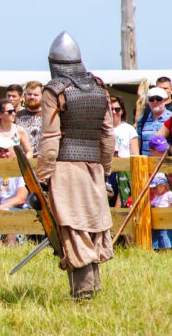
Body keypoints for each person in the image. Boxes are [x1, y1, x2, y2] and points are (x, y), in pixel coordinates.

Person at [36, 32, 114, 301]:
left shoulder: (54, 90)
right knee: (90, 229)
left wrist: (42, 178)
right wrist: (105, 170)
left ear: (53, 63)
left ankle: (84, 296)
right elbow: (108, 135)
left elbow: (49, 138)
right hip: (93, 168)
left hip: (65, 170)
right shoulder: (98, 87)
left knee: (74, 230)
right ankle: (94, 291)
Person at [108, 95, 137, 207]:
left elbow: (135, 154)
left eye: (117, 109)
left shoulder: (129, 129)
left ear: (122, 111)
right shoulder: (103, 129)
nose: (114, 112)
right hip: (107, 170)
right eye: (111, 109)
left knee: (120, 204)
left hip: (124, 171)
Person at [137, 87, 172, 155]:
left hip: (165, 161)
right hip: (145, 162)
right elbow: (138, 143)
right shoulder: (142, 120)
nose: (155, 102)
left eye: (158, 99)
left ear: (165, 100)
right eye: (151, 99)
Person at [150, 174, 172, 251]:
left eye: (155, 188)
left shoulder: (170, 195)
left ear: (163, 185)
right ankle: (157, 249)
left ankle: (168, 249)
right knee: (156, 236)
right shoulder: (157, 197)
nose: (154, 190)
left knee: (165, 236)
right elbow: (152, 205)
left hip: (167, 223)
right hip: (157, 223)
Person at [15, 80, 44, 155]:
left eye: (36, 95)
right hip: (21, 160)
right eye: (29, 94)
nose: (32, 97)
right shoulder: (16, 115)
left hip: (42, 160)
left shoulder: (49, 115)